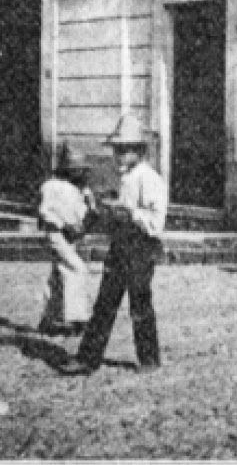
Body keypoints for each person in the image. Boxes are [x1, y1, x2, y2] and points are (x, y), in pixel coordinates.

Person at [60, 116, 166, 375]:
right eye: (116, 150)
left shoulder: (150, 179)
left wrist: (130, 212)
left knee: (140, 303)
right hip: (120, 245)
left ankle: (149, 359)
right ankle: (88, 358)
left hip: (141, 247)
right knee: (105, 303)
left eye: (124, 150)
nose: (119, 155)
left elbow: (156, 223)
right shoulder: (122, 177)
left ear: (139, 151)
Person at [35, 163, 94, 337]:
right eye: (75, 169)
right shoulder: (52, 186)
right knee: (77, 269)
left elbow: (86, 213)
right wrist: (64, 225)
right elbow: (45, 212)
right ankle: (77, 318)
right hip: (56, 233)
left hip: (71, 235)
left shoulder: (79, 189)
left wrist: (88, 202)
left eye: (81, 169)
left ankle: (49, 318)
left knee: (59, 273)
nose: (79, 172)